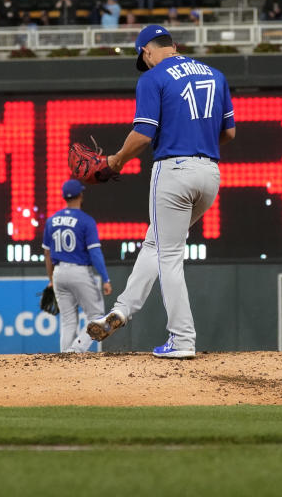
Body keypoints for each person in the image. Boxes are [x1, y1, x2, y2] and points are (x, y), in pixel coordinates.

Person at [85, 24, 235, 359]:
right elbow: (229, 132)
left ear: (148, 50)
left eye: (144, 57)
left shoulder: (153, 78)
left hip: (174, 172)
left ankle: (182, 340)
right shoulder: (215, 75)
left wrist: (116, 161)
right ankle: (122, 310)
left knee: (169, 256)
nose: (146, 63)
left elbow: (142, 134)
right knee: (157, 242)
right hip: (209, 174)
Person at [42, 179, 112, 354]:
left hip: (58, 273)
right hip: (79, 271)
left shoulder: (51, 221)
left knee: (68, 320)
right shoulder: (86, 221)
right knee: (97, 318)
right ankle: (75, 350)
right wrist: (105, 278)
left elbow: (47, 254)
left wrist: (51, 280)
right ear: (81, 195)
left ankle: (65, 358)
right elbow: (95, 253)